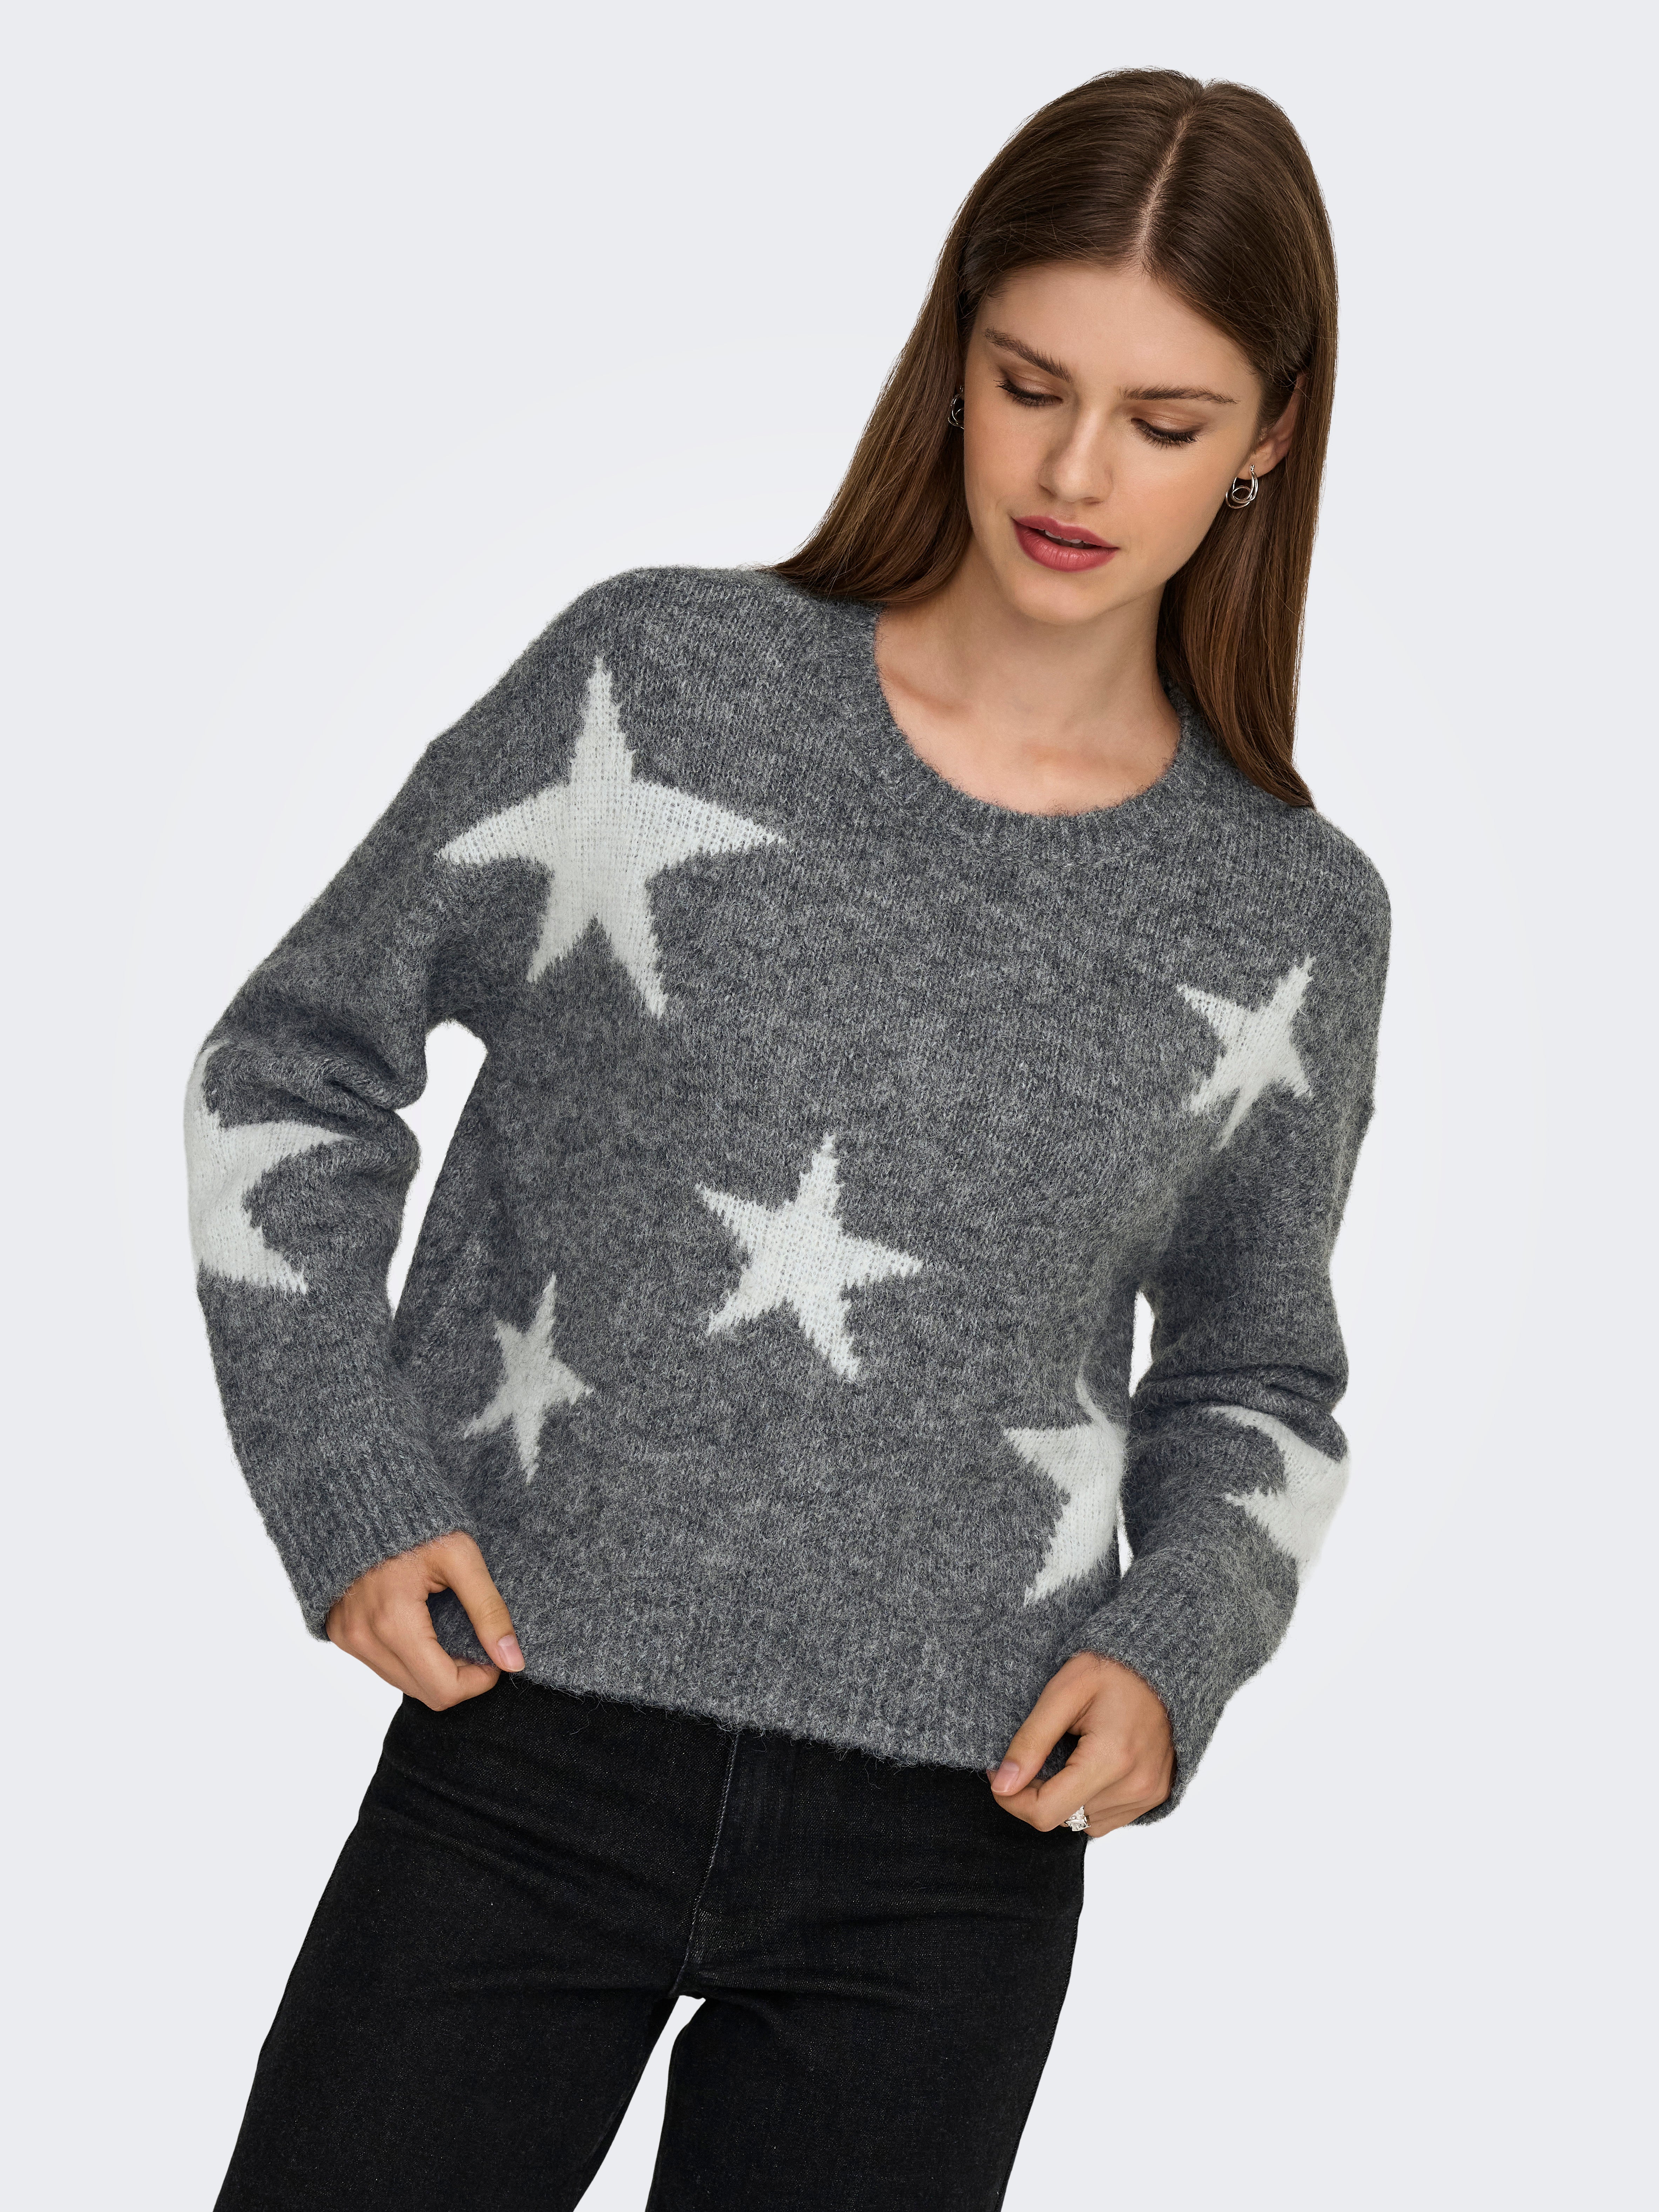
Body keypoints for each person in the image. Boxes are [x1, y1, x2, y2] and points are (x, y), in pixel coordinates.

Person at [189, 66, 1388, 2212]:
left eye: (1164, 418)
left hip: (959, 1844)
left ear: (1270, 436)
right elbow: (292, 1067)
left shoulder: (1288, 912)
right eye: (1030, 384)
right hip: (527, 1736)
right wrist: (347, 1480)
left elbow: (1255, 1370)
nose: (1077, 472)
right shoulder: (662, 683)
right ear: (955, 348)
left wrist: (1173, 1644)